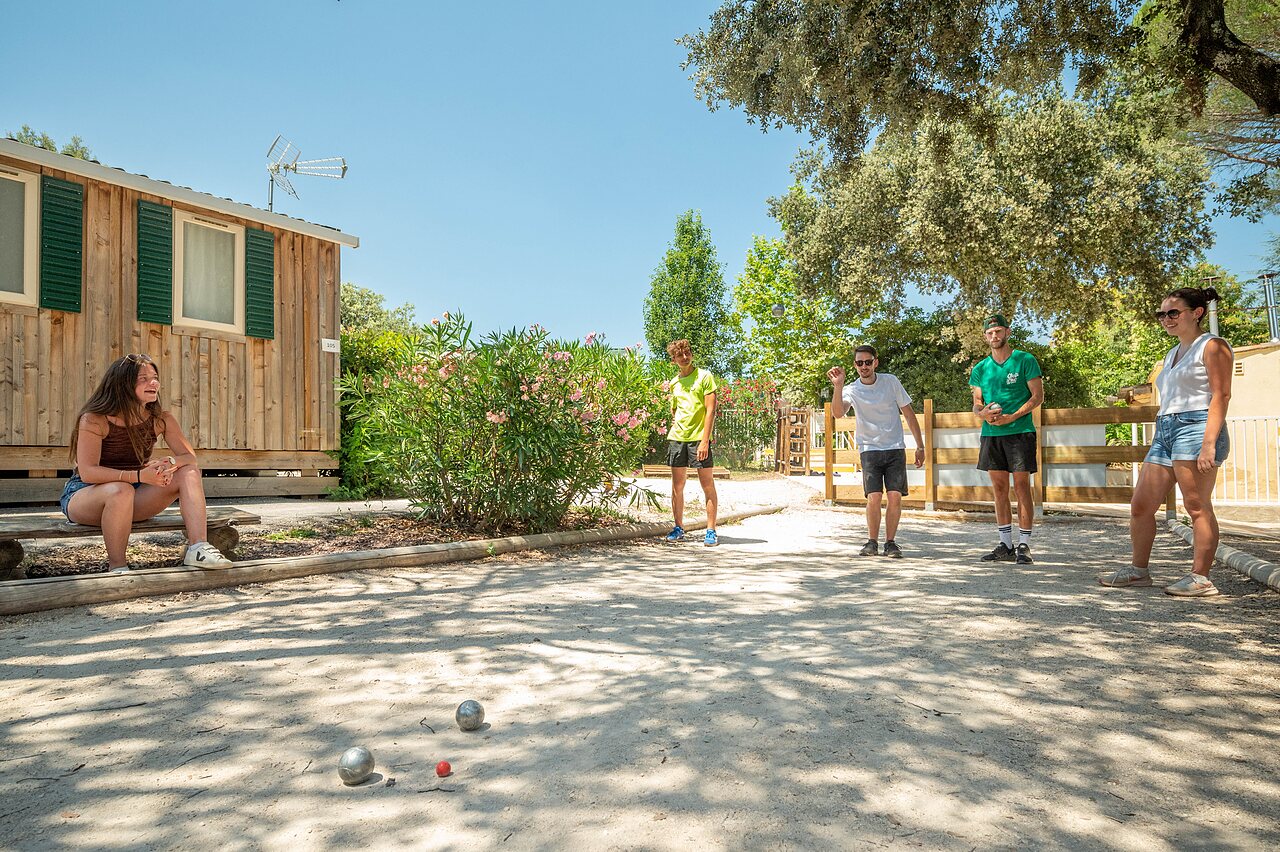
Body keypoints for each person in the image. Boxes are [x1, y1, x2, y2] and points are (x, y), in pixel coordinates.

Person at [1099, 287, 1232, 597]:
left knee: (1196, 506)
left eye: (1174, 312)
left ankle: (1201, 577)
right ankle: (1138, 572)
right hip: (1166, 428)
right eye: (1162, 314)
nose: (1166, 318)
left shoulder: (1212, 346)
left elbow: (1220, 395)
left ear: (1197, 312)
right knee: (1141, 505)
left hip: (1196, 426)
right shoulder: (1172, 353)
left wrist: (1209, 443)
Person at [61, 353, 232, 573]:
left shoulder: (162, 419)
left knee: (188, 471)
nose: (153, 383)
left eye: (155, 377)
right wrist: (140, 476)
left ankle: (198, 548)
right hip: (86, 496)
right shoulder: (94, 419)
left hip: (134, 495)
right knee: (121, 490)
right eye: (143, 378)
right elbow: (88, 473)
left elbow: (190, 458)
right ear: (122, 383)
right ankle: (118, 568)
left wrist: (169, 462)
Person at [828, 346, 925, 557]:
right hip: (869, 449)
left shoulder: (890, 382)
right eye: (859, 363)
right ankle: (872, 542)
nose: (864, 366)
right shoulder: (851, 389)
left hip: (894, 447)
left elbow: (908, 413)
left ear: (875, 363)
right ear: (855, 365)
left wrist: (920, 445)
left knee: (895, 496)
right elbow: (837, 413)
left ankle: (890, 543)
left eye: (868, 362)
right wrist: (838, 386)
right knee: (873, 497)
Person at [969, 314, 1044, 565]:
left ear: (1008, 332)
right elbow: (976, 403)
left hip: (1020, 432)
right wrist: (983, 413)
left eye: (998, 331)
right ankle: (1005, 544)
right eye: (990, 333)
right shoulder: (980, 368)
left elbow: (1037, 397)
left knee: (1022, 488)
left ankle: (1024, 545)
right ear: (985, 336)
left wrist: (1013, 417)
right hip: (991, 435)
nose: (994, 336)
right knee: (999, 490)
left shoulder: (1025, 360)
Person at [662, 339, 720, 547]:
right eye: (680, 355)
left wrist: (705, 440)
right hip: (678, 438)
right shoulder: (674, 383)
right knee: (677, 486)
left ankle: (711, 530)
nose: (685, 357)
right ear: (674, 359)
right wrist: (677, 423)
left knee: (707, 484)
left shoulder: (705, 377)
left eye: (687, 353)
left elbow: (711, 410)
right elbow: (674, 409)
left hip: (698, 439)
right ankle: (678, 527)